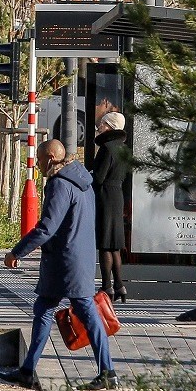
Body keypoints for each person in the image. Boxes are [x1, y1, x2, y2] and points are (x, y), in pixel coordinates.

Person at [0, 139, 118, 391]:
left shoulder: (60, 185)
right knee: (54, 309)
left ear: (51, 158)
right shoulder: (83, 182)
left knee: (75, 312)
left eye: (40, 159)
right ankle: (29, 370)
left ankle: (107, 372)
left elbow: (47, 228)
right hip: (80, 258)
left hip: (64, 262)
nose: (38, 164)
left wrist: (16, 252)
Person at [91, 111, 130, 303]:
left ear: (110, 127)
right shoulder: (124, 149)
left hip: (105, 196)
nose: (99, 127)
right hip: (118, 196)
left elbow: (98, 178)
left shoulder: (106, 148)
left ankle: (106, 286)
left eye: (102, 124)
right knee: (115, 245)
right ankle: (119, 284)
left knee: (105, 244)